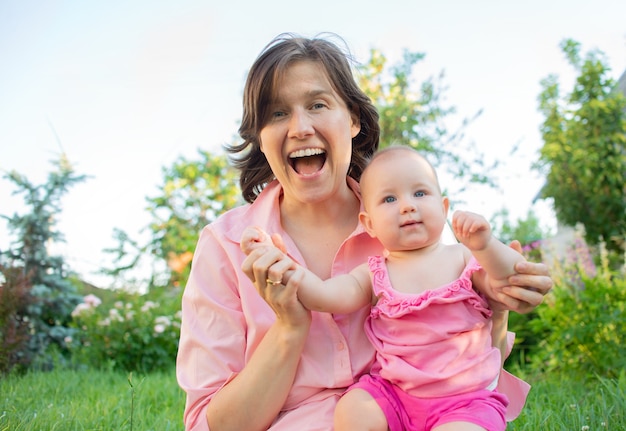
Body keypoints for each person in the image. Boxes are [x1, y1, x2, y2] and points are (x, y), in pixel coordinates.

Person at [176, 32, 553, 431]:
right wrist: (289, 327)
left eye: (318, 104)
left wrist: (500, 301)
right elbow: (212, 424)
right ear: (260, 138)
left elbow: (460, 351)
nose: (301, 127)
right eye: (277, 113)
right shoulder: (225, 246)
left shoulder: (404, 229)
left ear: (353, 120)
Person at [241, 146, 525, 431]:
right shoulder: (374, 272)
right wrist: (287, 267)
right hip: (393, 394)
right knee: (353, 409)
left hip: (464, 401)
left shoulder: (463, 258)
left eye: (420, 193)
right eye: (389, 199)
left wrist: (486, 245)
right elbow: (327, 296)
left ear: (444, 208)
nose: (407, 206)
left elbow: (507, 279)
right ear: (370, 224)